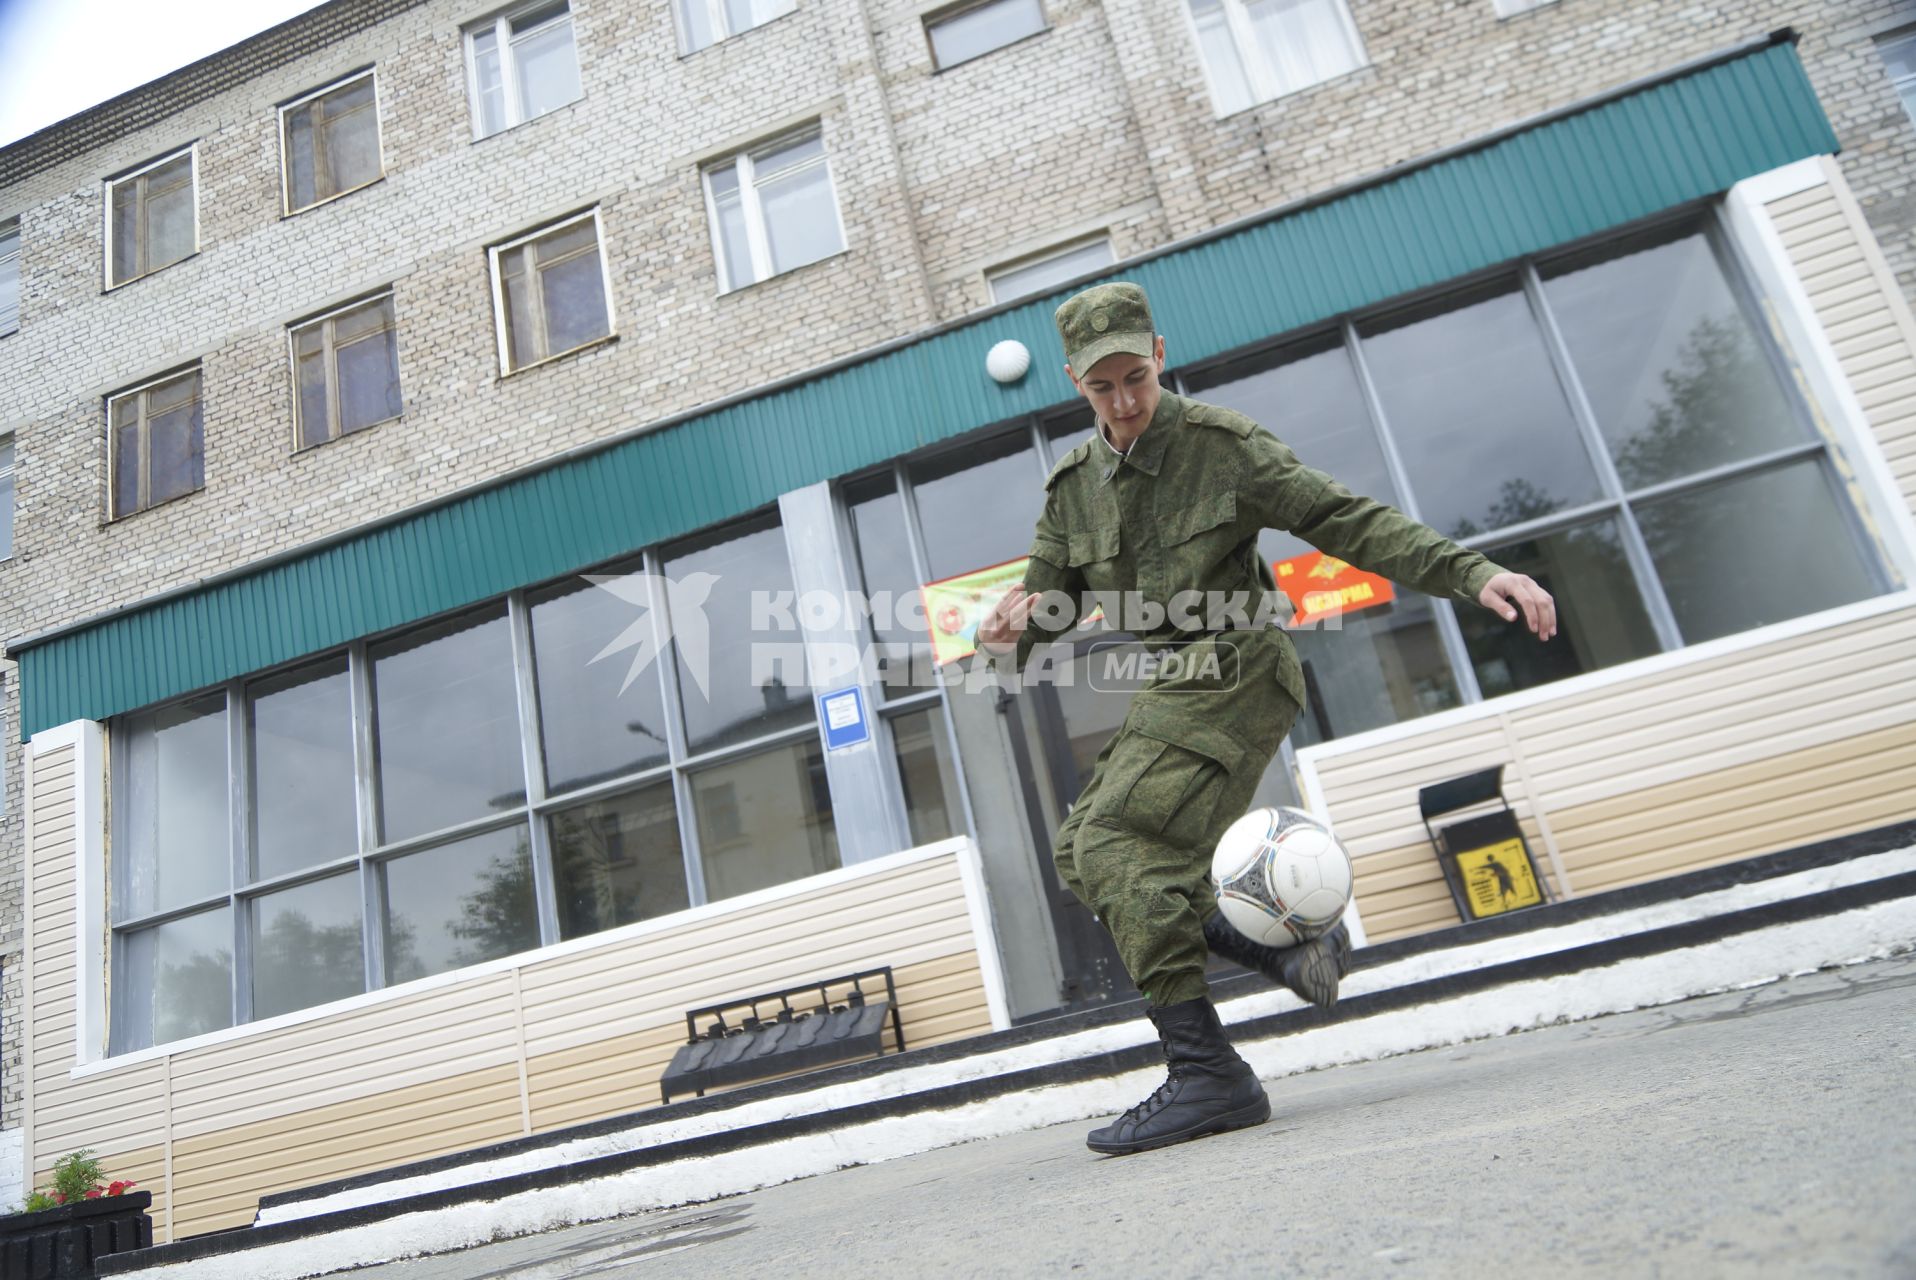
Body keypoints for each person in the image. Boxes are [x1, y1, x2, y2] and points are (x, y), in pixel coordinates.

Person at [975, 282, 1556, 1156]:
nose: (1127, 402)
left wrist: (1474, 574)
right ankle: (1279, 953)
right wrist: (1002, 633)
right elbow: (1047, 605)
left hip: (1240, 663)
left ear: (1160, 355)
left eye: (1137, 376)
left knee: (1118, 848)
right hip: (1178, 676)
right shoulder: (1071, 489)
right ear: (1074, 384)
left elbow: (1344, 518)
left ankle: (1210, 1076)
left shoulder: (1224, 447)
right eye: (1104, 388)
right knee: (1079, 852)